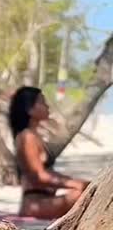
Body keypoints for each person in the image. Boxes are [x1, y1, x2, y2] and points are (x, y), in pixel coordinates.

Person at [9, 85, 89, 220]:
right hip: (36, 204)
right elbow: (39, 176)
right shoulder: (27, 137)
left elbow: (48, 173)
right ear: (30, 109)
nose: (47, 106)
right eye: (42, 102)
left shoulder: (34, 136)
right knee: (81, 194)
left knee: (85, 190)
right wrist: (75, 183)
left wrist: (76, 181)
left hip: (46, 201)